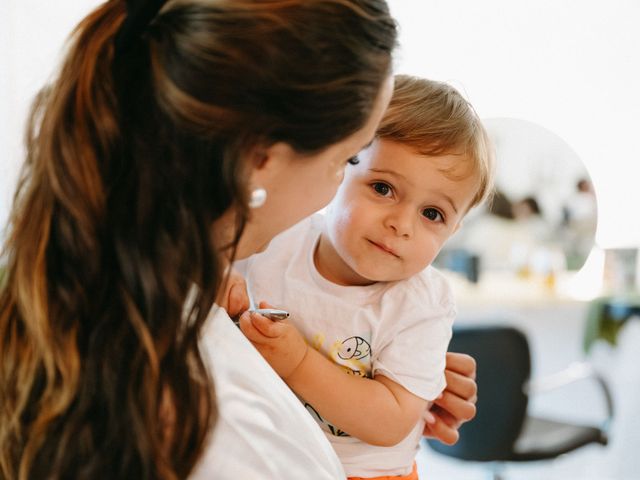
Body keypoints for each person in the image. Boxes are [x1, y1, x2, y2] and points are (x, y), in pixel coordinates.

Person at [0, 1, 476, 479]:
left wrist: (384, 388)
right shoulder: (236, 439)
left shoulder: (106, 287)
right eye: (348, 159)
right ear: (261, 158)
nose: (399, 223)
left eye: (432, 213)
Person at [238, 75, 493, 479]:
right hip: (265, 458)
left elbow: (389, 423)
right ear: (339, 167)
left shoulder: (422, 302)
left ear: (453, 231)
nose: (401, 224)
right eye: (383, 188)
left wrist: (298, 362)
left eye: (433, 214)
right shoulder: (276, 240)